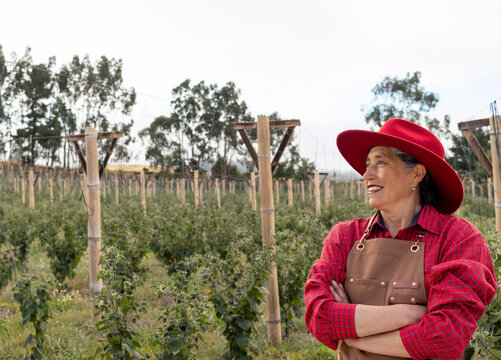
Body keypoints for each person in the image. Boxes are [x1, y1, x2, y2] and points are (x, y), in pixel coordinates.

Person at [304, 118, 498, 360]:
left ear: (416, 174)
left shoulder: (458, 238)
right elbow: (319, 317)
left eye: (380, 162)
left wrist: (351, 336)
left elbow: (446, 337)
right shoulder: (344, 236)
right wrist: (407, 314)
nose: (366, 174)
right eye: (367, 164)